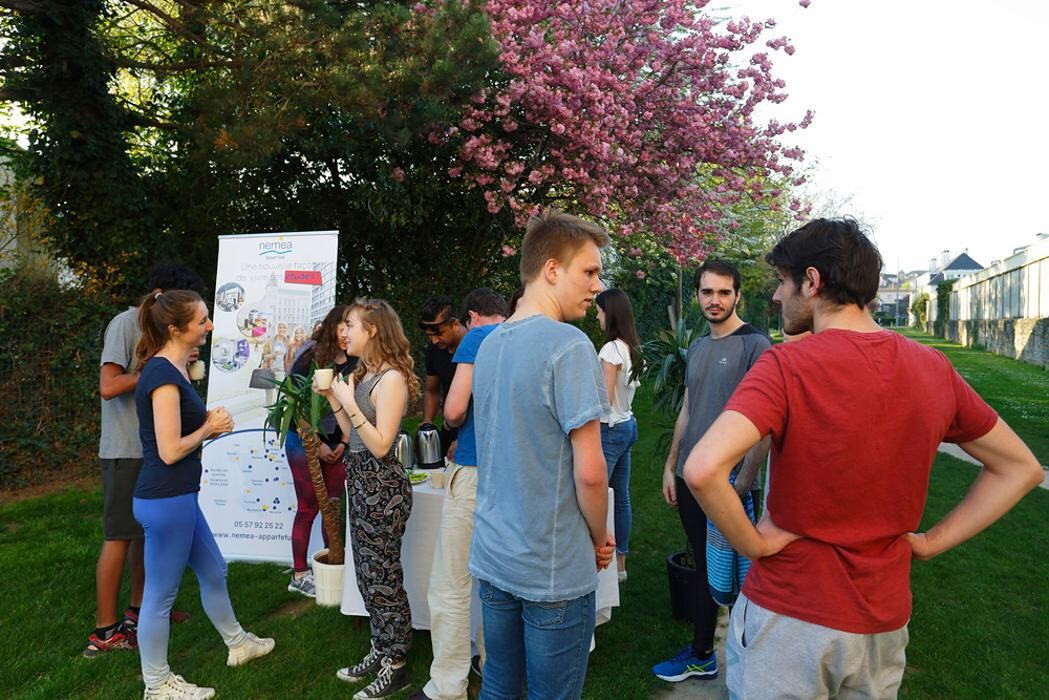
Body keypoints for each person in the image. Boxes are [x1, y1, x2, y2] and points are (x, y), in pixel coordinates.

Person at [683, 219, 1044, 699]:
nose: (775, 297)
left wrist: (753, 545)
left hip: (789, 617)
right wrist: (932, 542)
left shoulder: (788, 365)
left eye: (781, 282)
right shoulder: (932, 368)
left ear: (811, 282)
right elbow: (1021, 467)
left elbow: (702, 467)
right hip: (882, 625)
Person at [470, 209, 615, 700]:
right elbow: (592, 473)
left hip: (494, 555)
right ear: (552, 270)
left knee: (498, 685)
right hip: (551, 564)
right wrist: (601, 537)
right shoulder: (570, 346)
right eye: (589, 272)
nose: (597, 285)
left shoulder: (488, 345)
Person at [133, 290, 275, 699]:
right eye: (202, 321)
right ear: (176, 329)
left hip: (178, 498)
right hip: (165, 501)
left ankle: (239, 644)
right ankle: (157, 685)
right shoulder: (161, 376)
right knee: (160, 597)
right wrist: (209, 429)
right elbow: (170, 449)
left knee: (214, 570)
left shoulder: (175, 368)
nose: (210, 326)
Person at [653, 259, 771, 683]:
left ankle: (724, 654)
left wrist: (741, 484)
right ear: (697, 295)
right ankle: (706, 654)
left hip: (728, 482)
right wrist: (672, 466)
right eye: (707, 292)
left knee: (739, 572)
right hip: (690, 478)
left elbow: (768, 424)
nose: (715, 300)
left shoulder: (755, 345)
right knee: (707, 564)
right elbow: (689, 408)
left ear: (738, 295)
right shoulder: (699, 347)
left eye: (724, 292)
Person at [85, 262, 205, 659]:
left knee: (144, 535)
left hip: (153, 449)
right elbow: (108, 386)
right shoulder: (124, 324)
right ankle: (104, 630)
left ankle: (140, 611)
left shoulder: (160, 336)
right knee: (119, 536)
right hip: (125, 449)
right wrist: (159, 370)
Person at [316, 299, 420, 700]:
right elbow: (351, 433)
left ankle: (397, 665)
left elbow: (380, 445)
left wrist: (348, 399)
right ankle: (381, 647)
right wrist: (332, 397)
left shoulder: (390, 379)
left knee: (384, 579)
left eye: (351, 326)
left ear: (373, 330)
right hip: (360, 482)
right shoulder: (365, 373)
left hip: (382, 487)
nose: (344, 333)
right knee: (367, 575)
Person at [411, 288, 508, 700]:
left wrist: (461, 420)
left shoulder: (476, 338)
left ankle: (448, 685)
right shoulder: (536, 336)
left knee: (450, 582)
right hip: (513, 473)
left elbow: (452, 411)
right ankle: (496, 673)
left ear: (472, 316)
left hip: (472, 468)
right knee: (499, 584)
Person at [285, 305, 358, 597]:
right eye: (342, 327)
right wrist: (318, 444)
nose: (346, 333)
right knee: (308, 507)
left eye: (350, 327)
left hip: (338, 444)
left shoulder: (354, 360)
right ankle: (299, 574)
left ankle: (334, 566)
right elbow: (292, 403)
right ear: (331, 327)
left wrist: (340, 444)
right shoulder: (309, 356)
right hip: (304, 441)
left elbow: (350, 409)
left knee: (333, 506)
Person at [594, 288, 643, 583]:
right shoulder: (632, 347)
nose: (597, 317)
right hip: (628, 425)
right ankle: (620, 566)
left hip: (609, 429)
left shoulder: (611, 350)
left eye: (599, 312)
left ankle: (597, 561)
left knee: (595, 496)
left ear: (609, 314)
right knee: (621, 498)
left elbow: (604, 400)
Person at [417, 296, 468, 459]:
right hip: (448, 427)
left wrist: (464, 439)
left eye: (438, 333)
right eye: (429, 335)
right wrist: (427, 421)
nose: (434, 339)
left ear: (455, 324)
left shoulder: (474, 346)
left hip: (472, 430)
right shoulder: (434, 350)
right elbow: (432, 390)